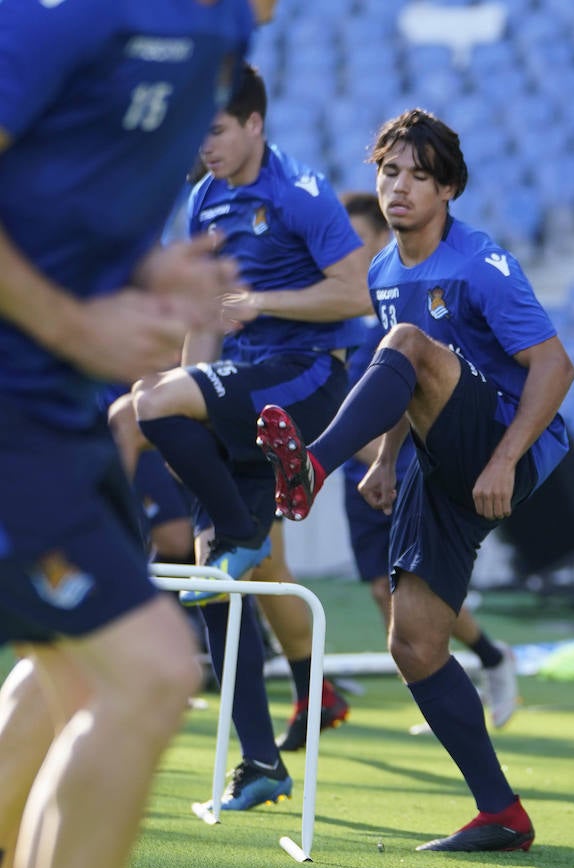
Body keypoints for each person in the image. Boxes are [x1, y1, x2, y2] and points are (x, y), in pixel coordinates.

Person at [0, 2, 277, 868]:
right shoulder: (71, 16)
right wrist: (76, 322)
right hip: (14, 407)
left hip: (57, 412)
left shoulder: (226, 37)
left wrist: (143, 275)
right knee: (153, 672)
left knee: (71, 683)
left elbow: (53, 203)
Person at [257, 108, 574, 852]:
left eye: (419, 177)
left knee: (405, 339)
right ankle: (501, 814)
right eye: (389, 172)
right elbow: (405, 381)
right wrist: (384, 457)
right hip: (441, 462)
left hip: (506, 446)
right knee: (414, 645)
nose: (399, 188)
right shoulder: (380, 271)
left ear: (448, 192)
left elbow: (555, 367)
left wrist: (502, 460)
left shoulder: (478, 262)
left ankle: (310, 463)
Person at [110, 63, 370, 813]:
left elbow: (355, 290)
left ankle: (231, 525)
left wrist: (260, 302)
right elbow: (201, 317)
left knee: (147, 405)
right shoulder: (201, 199)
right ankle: (259, 763)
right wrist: (191, 401)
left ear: (254, 125)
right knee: (213, 586)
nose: (205, 145)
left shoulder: (304, 192)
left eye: (216, 130)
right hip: (245, 396)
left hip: (306, 379)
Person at [341, 191, 518, 730]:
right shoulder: (352, 310)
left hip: (407, 464)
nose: (349, 251)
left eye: (357, 239)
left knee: (420, 589)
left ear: (378, 236)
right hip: (365, 466)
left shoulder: (404, 305)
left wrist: (385, 454)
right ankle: (441, 689)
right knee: (382, 590)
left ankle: (489, 656)